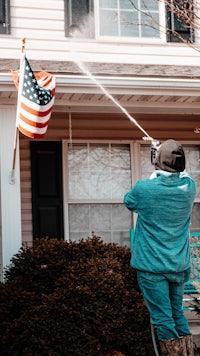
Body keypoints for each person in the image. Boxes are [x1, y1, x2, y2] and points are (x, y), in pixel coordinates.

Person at [123, 139, 196, 356]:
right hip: (178, 266)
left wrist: (156, 163)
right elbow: (180, 173)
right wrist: (162, 156)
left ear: (157, 162)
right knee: (177, 314)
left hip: (152, 266)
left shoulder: (145, 188)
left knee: (163, 318)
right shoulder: (189, 188)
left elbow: (130, 201)